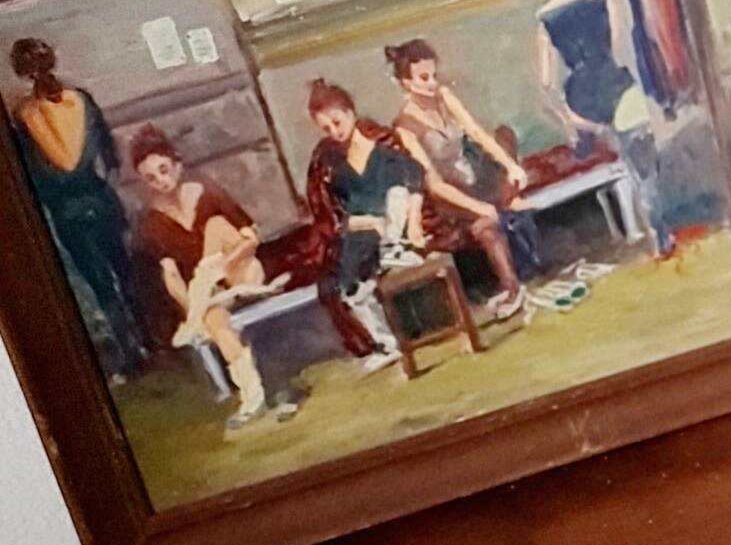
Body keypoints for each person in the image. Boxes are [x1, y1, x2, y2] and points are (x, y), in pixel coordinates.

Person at [123, 128, 295, 433]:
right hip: (212, 293)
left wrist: (221, 264)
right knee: (214, 318)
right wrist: (194, 310)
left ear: (176, 164)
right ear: (144, 183)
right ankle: (253, 397)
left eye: (164, 170)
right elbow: (171, 275)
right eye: (152, 178)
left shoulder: (205, 190)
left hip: (242, 273)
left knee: (216, 226)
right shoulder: (151, 221)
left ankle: (212, 286)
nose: (162, 180)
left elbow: (250, 237)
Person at [8, 38, 142, 376]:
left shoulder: (24, 115)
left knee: (100, 282)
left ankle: (130, 353)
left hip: (66, 208)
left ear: (22, 73)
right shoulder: (80, 100)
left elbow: (32, 174)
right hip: (99, 196)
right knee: (124, 269)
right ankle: (148, 339)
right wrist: (105, 187)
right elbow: (110, 155)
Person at [532, 0, 669, 258]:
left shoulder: (544, 19)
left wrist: (569, 118)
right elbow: (617, 45)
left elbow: (545, 84)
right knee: (644, 168)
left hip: (581, 95)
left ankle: (625, 228)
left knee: (599, 154)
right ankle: (658, 235)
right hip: (615, 84)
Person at [386, 38, 531, 316]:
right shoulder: (404, 126)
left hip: (473, 174)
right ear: (405, 82)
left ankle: (506, 196)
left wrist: (510, 165)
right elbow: (434, 184)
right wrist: (479, 207)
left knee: (503, 136)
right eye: (423, 78)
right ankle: (512, 290)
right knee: (485, 225)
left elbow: (476, 132)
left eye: (434, 75)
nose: (431, 83)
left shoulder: (444, 97)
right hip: (451, 194)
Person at [301, 81, 432, 367]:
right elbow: (337, 214)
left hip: (396, 230)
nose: (335, 132)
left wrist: (413, 224)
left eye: (337, 122)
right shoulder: (333, 165)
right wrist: (363, 221)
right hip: (362, 233)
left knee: (397, 193)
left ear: (350, 113)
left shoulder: (382, 148)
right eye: (327, 129)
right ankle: (386, 344)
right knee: (351, 288)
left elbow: (415, 180)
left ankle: (394, 249)